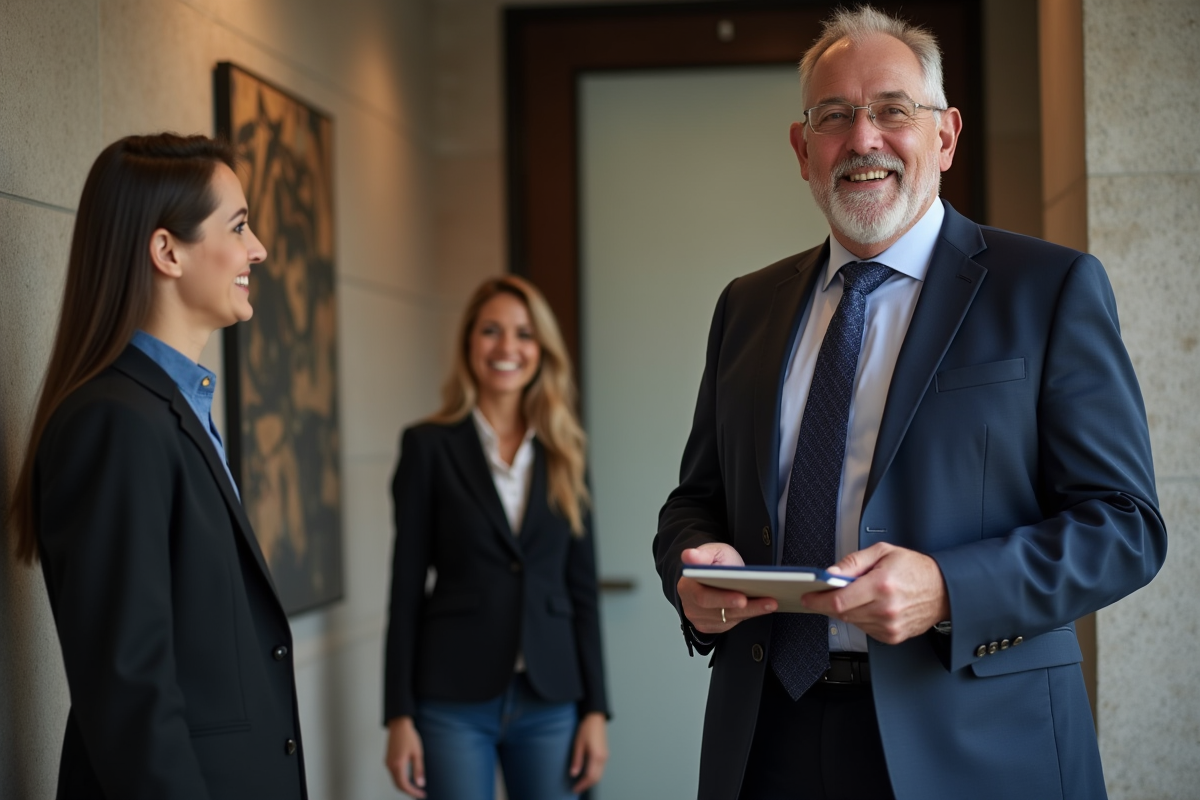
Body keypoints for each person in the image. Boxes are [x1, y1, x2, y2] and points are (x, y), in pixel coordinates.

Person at [652, 7, 1166, 800]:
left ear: (946, 136)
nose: (863, 140)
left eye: (893, 110)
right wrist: (694, 568)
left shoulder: (1048, 288)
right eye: (834, 117)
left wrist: (952, 589)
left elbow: (1126, 526)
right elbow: (695, 502)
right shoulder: (745, 306)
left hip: (977, 739)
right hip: (768, 739)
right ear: (803, 150)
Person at [9, 133, 307, 798]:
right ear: (167, 251)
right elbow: (129, 690)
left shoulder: (168, 409)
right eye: (238, 226)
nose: (257, 248)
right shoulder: (113, 423)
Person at [383, 275, 609, 800]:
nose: (507, 347)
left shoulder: (565, 451)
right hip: (452, 700)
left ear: (542, 349)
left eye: (524, 334)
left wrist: (596, 709)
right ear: (469, 343)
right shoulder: (427, 447)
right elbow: (405, 590)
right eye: (491, 331)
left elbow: (582, 591)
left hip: (551, 697)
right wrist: (399, 715)